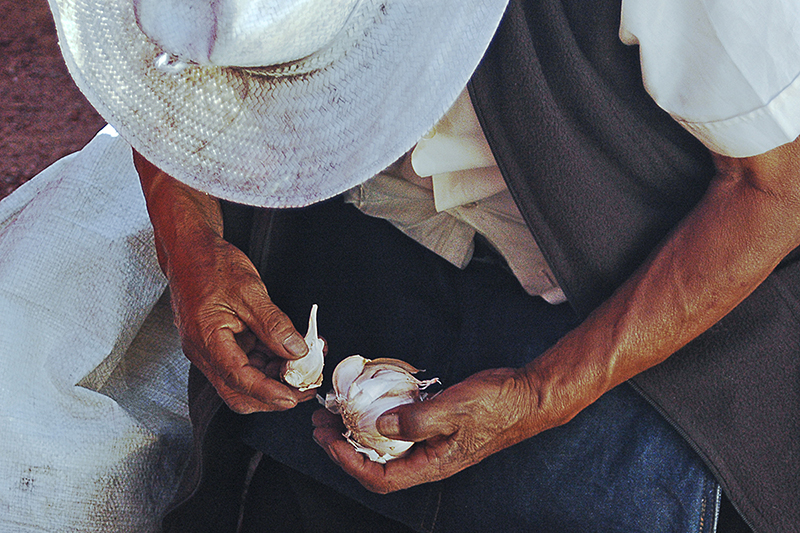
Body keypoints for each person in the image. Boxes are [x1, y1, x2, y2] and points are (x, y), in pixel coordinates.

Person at [49, 0, 800, 531]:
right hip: (350, 245)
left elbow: (774, 189)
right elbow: (153, 74)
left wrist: (545, 391)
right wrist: (192, 243)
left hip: (635, 294)